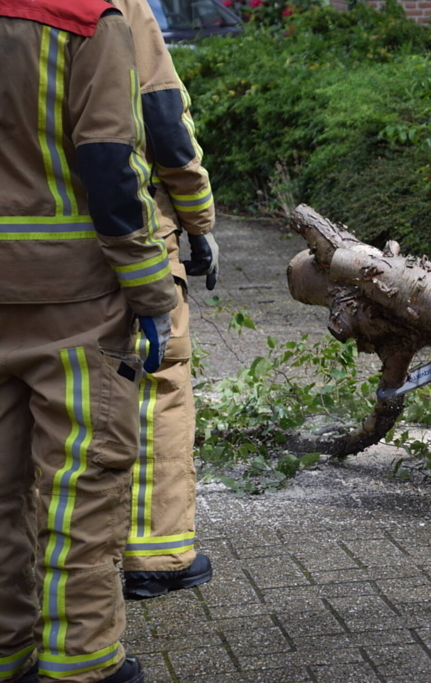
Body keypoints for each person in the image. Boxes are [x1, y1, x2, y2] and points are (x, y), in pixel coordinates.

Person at [0, 0, 178, 680]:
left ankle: (10, 649)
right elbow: (110, 165)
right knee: (80, 487)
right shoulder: (84, 19)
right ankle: (81, 662)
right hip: (72, 304)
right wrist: (154, 294)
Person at [110, 0, 218, 602]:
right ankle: (156, 555)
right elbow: (163, 119)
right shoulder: (121, 6)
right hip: (125, 232)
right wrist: (198, 219)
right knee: (156, 380)